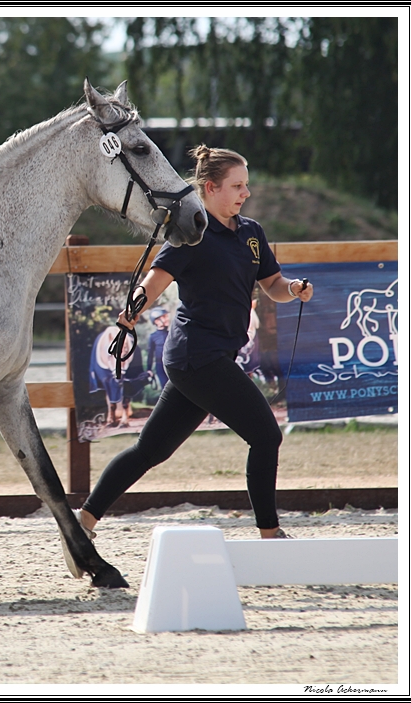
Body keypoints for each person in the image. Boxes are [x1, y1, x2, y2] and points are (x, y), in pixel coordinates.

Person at [74, 144, 315, 553]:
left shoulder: (252, 233)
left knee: (150, 449)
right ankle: (271, 535)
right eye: (237, 186)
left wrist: (292, 289)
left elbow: (271, 284)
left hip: (208, 359)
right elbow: (156, 278)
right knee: (266, 436)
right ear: (210, 188)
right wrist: (128, 315)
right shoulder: (191, 233)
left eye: (246, 186)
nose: (245, 193)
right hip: (195, 356)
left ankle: (82, 520)